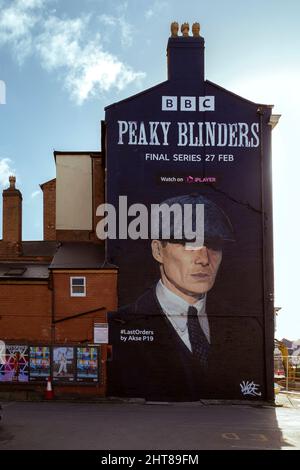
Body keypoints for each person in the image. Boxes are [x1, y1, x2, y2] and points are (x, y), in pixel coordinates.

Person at [108, 193, 235, 401]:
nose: (204, 259)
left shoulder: (240, 325)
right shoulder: (116, 325)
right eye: (188, 243)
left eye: (214, 245)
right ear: (158, 250)